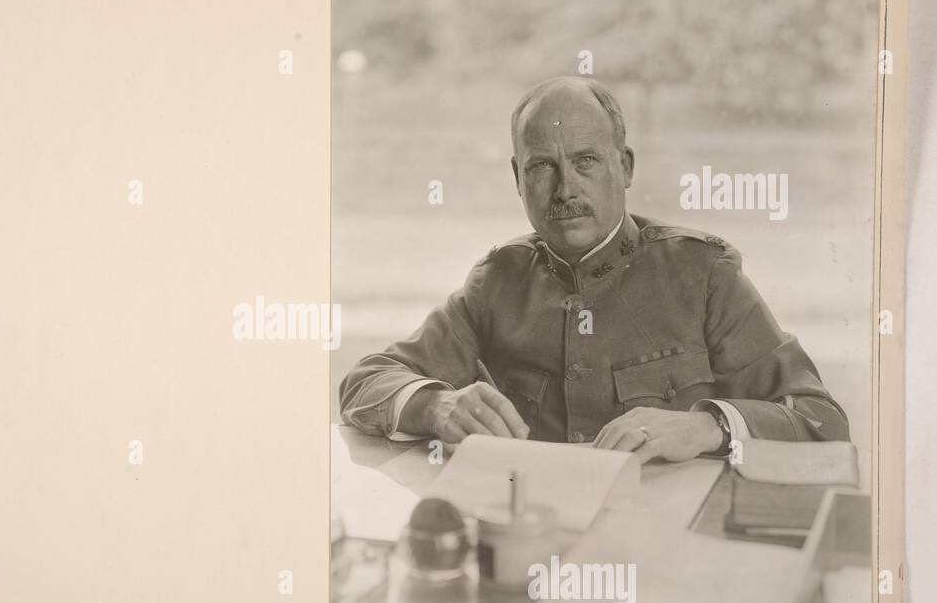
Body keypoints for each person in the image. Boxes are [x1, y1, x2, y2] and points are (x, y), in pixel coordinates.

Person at [339, 76, 848, 462]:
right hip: (531, 547)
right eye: (543, 166)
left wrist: (708, 426)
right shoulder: (496, 282)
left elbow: (821, 420)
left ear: (624, 167)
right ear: (518, 178)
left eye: (585, 161)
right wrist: (435, 407)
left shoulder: (704, 274)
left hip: (664, 552)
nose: (565, 190)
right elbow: (365, 382)